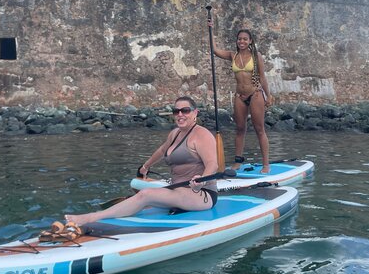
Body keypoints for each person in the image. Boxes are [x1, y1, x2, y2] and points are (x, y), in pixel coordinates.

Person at [65, 96, 218, 225]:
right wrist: (145, 166)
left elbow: (213, 164)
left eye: (185, 110)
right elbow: (162, 150)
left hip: (201, 194)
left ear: (195, 113)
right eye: (176, 111)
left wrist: (202, 180)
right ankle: (122, 209)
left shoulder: (202, 135)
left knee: (145, 195)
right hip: (177, 189)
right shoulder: (175, 134)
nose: (180, 114)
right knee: (141, 193)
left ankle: (91, 217)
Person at [209, 17, 273, 173]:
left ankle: (266, 164)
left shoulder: (256, 56)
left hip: (255, 94)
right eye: (239, 39)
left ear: (250, 41)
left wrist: (268, 95)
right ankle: (238, 161)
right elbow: (215, 50)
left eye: (245, 39)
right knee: (239, 129)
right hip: (239, 96)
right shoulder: (233, 55)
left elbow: (262, 77)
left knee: (259, 129)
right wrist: (211, 30)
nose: (241, 41)